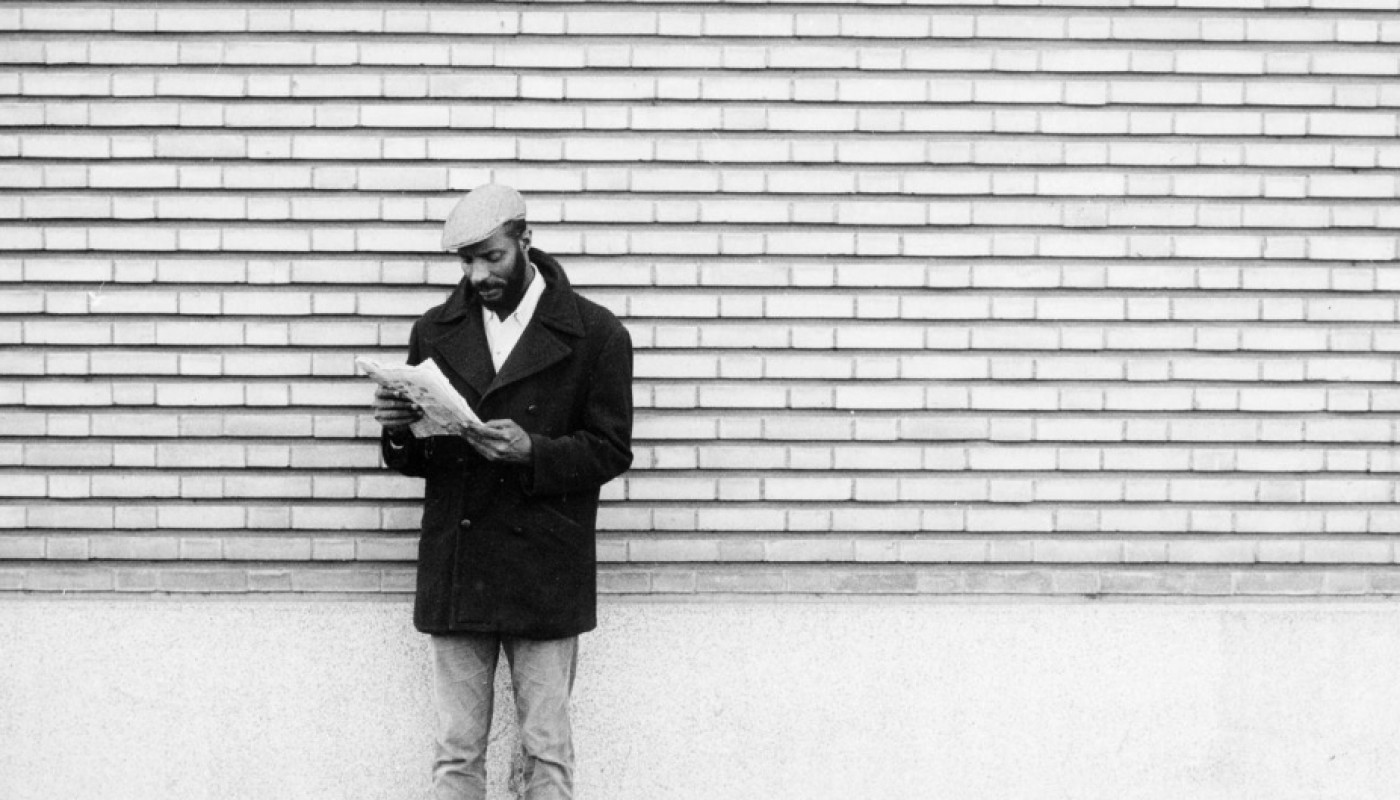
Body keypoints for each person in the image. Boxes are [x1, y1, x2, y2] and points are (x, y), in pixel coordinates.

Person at [371, 184, 634, 800]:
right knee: (456, 753)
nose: (477, 274)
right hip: (461, 564)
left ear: (525, 240)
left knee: (546, 752)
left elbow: (611, 449)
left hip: (545, 561)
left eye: (491, 256)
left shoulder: (596, 334)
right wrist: (400, 433)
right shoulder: (436, 330)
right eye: (465, 261)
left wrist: (534, 452)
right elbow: (418, 458)